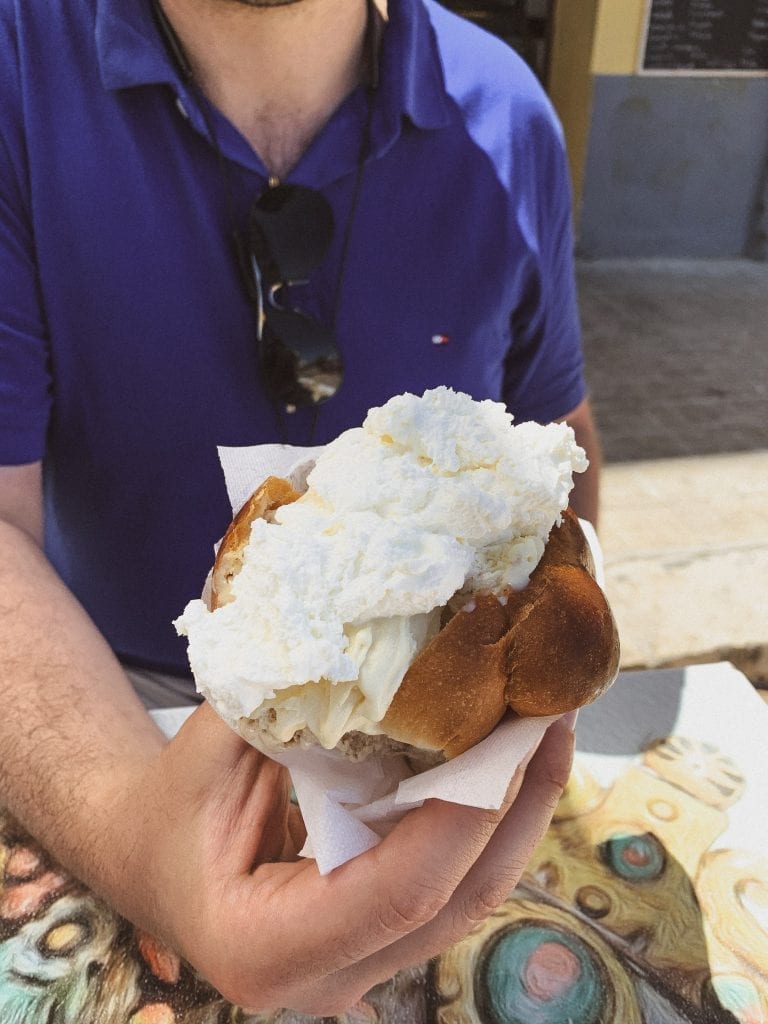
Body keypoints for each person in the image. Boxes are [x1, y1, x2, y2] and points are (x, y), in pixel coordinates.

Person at [0, 0, 594, 1013]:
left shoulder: (510, 116)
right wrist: (140, 837)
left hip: (435, 752)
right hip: (107, 710)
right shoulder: (16, 67)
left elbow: (557, 447)